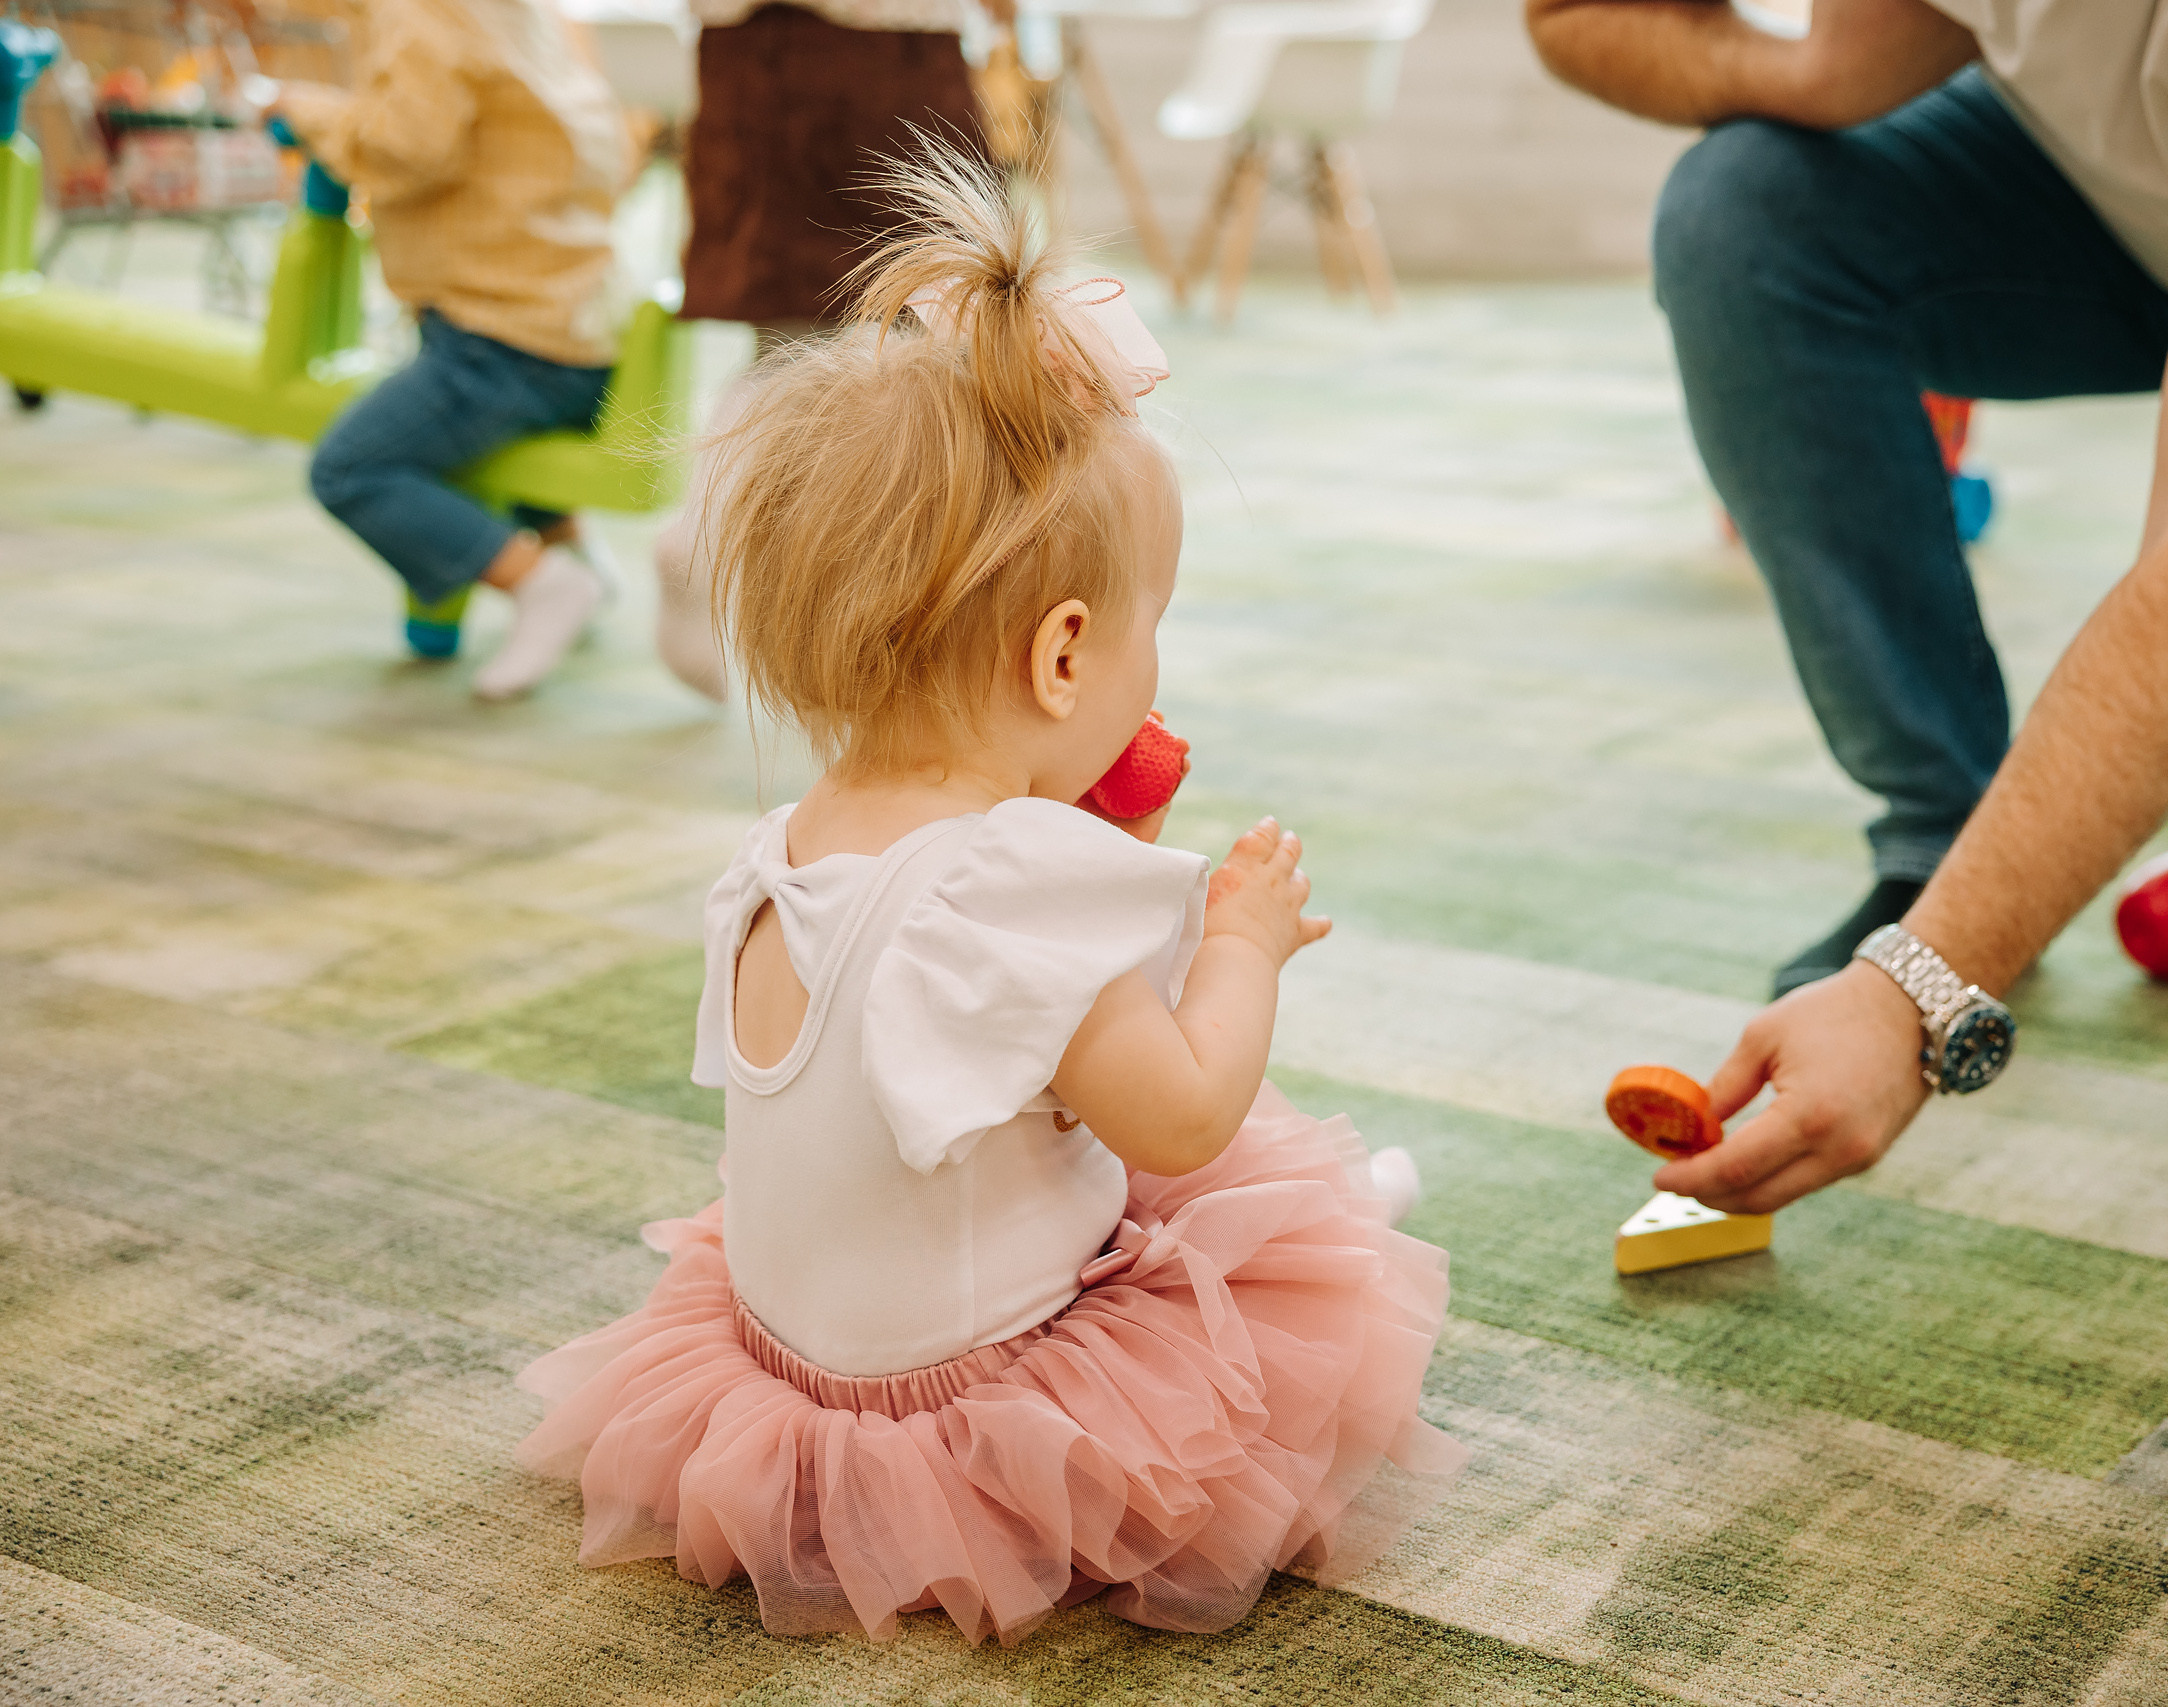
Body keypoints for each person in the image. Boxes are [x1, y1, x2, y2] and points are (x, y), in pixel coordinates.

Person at [514, 151, 1461, 1643]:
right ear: (1065, 660)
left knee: (1082, 1113)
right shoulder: (1014, 891)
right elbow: (1185, 1108)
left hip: (788, 1374)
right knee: (1232, 1166)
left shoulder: (784, 845)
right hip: (982, 1395)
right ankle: (1326, 1225)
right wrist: (1242, 939)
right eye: (1156, 629)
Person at [1523, 0, 2168, 1210]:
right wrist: (1810, 73)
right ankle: (1938, 821)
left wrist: (1917, 989)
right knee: (1743, 213)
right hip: (2123, 213)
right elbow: (1577, 15)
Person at [277, 0, 633, 699]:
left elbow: (403, 148)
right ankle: (572, 550)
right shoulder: (523, 14)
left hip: (501, 337)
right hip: (578, 325)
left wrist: (307, 113)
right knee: (494, 450)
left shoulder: (423, 15)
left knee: (352, 466)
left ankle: (543, 583)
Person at [649, 0, 997, 700]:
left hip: (750, 57)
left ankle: (704, 529)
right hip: (888, 56)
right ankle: (897, 620)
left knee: (785, 343)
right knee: (925, 336)